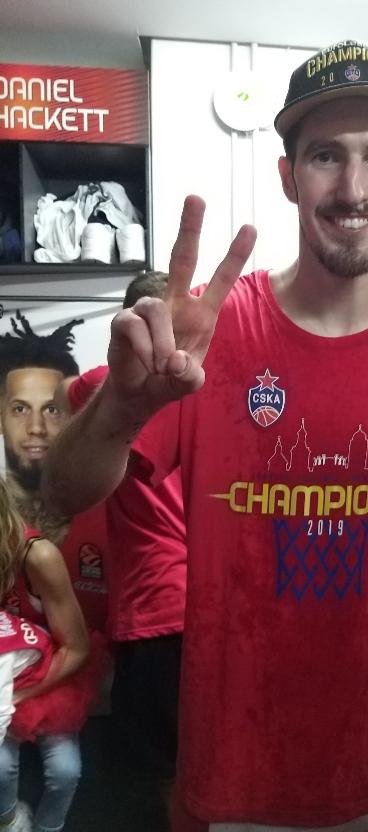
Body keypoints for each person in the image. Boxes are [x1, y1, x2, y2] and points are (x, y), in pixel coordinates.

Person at [43, 39, 368, 832]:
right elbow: (60, 491)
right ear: (288, 176)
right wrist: (122, 410)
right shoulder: (209, 333)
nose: (353, 188)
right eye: (326, 156)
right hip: (236, 768)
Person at [55, 270, 186, 818]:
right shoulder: (189, 388)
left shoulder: (106, 390)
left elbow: (73, 388)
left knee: (164, 774)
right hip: (196, 607)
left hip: (161, 607)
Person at [0, 313, 108, 635]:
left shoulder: (111, 509)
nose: (36, 428)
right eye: (20, 409)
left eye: (52, 409)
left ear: (74, 413)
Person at [0, 476, 90, 832]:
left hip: (50, 673)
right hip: (6, 675)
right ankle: (10, 820)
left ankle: (48, 828)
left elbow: (77, 649)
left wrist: (20, 694)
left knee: (66, 770)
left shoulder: (38, 556)